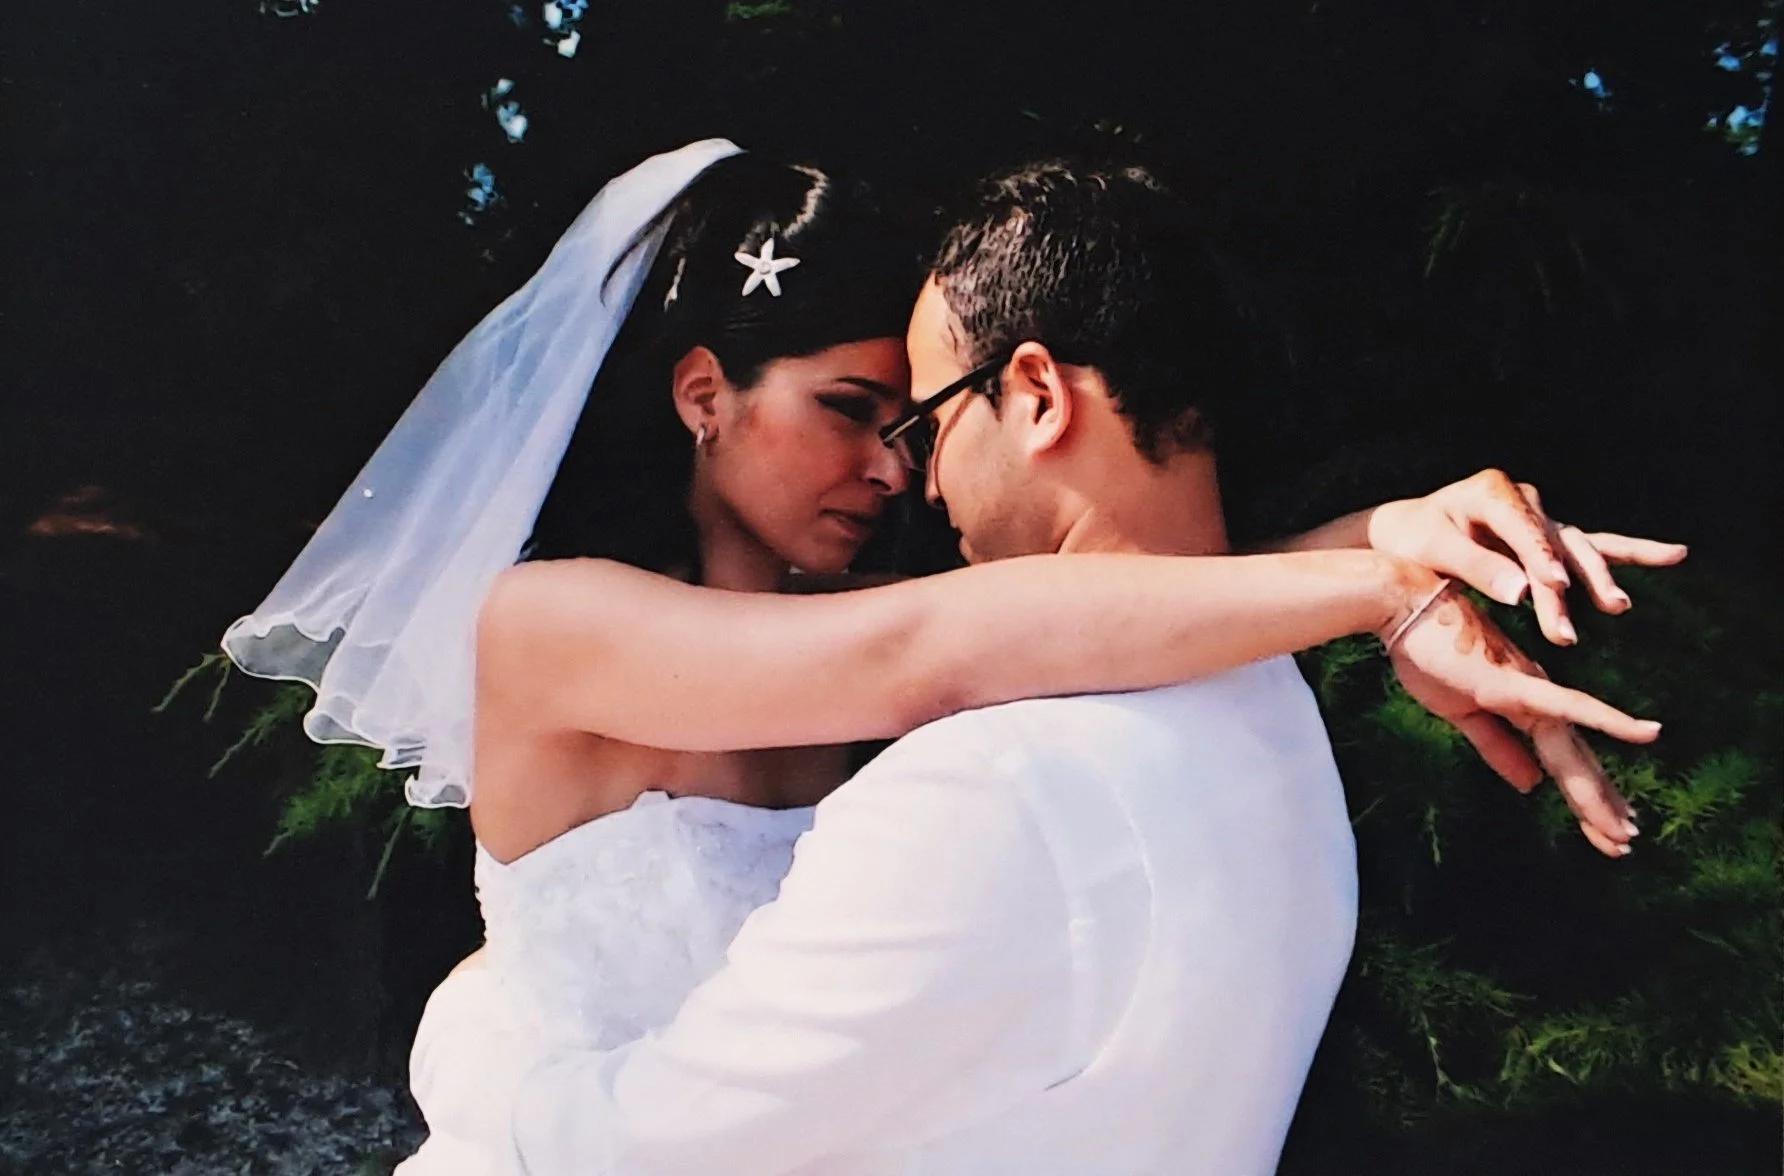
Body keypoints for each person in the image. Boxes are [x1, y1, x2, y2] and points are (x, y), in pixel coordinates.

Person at [220, 142, 1681, 1175]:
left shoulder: (913, 638)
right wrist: (1377, 585)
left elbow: (1088, 606)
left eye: (911, 421)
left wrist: (1386, 546)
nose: (894, 467)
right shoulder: (553, 620)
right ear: (704, 394)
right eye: (850, 410)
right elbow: (943, 644)